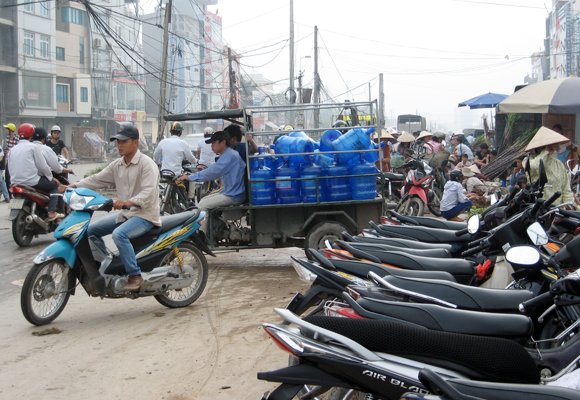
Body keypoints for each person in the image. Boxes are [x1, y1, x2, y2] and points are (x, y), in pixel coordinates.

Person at [68, 126, 161, 291]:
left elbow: (149, 192)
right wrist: (73, 186)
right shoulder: (117, 165)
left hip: (145, 215)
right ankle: (111, 264)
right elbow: (96, 179)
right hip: (126, 214)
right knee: (89, 231)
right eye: (118, 142)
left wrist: (129, 202)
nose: (119, 145)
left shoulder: (147, 164)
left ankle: (135, 274)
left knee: (119, 234)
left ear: (135, 142)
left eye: (124, 141)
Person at [178, 131, 245, 234]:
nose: (212, 146)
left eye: (214, 143)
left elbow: (213, 172)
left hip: (234, 195)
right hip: (231, 191)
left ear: (223, 142)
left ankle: (202, 237)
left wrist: (190, 177)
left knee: (203, 205)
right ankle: (212, 230)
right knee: (204, 199)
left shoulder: (229, 156)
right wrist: (221, 189)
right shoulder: (228, 155)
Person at [8, 123, 64, 221]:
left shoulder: (12, 150)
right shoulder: (33, 147)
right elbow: (42, 166)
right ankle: (51, 212)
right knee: (54, 186)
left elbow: (10, 167)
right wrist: (50, 177)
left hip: (15, 182)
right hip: (32, 181)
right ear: (31, 135)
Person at [525, 126, 574, 206]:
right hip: (537, 208)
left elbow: (566, 188)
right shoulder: (529, 161)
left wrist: (569, 204)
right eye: (546, 147)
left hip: (556, 209)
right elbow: (533, 168)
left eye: (554, 146)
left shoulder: (558, 164)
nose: (553, 148)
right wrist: (545, 152)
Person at [4, 122, 19, 195]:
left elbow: (18, 149)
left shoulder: (17, 138)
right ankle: (9, 194)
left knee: (14, 177)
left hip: (15, 161)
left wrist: (10, 151)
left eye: (6, 129)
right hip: (8, 160)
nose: (5, 130)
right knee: (7, 178)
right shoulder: (7, 138)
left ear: (10, 130)